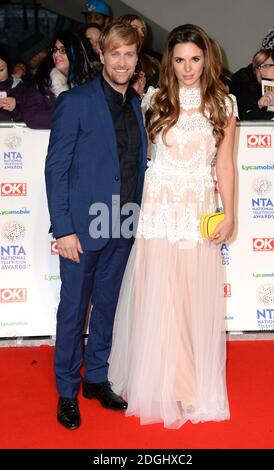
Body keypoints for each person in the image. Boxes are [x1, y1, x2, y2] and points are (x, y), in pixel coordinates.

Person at [108, 24, 237, 429]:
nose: (187, 68)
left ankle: (186, 382)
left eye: (195, 59)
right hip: (157, 210)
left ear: (207, 59)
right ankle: (154, 380)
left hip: (196, 210)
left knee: (188, 299)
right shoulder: (153, 99)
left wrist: (230, 213)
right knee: (157, 295)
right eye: (179, 60)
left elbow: (225, 165)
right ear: (170, 61)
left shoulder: (224, 103)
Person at [45, 21, 147, 430]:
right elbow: (56, 169)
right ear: (102, 56)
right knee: (73, 311)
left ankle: (96, 378)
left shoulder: (138, 106)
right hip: (82, 229)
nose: (122, 62)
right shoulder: (76, 102)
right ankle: (67, 391)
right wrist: (63, 229)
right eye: (115, 54)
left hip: (123, 223)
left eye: (130, 54)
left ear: (137, 59)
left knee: (106, 307)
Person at [24, 30, 97, 129]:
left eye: (63, 50)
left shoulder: (94, 82)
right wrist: (72, 116)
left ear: (76, 52)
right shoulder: (43, 81)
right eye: (55, 50)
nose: (56, 55)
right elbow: (32, 117)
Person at [232, 49, 274, 120]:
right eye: (258, 67)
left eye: (266, 66)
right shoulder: (247, 92)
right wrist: (258, 106)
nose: (260, 70)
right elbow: (240, 122)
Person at [118, 14, 161, 98]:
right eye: (135, 28)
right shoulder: (109, 59)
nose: (142, 34)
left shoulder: (152, 64)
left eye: (143, 31)